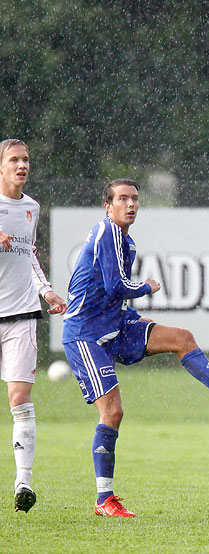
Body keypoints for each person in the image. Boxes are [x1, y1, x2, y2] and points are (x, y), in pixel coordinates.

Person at [62, 178, 209, 517]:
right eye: (122, 199)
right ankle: (104, 499)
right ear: (108, 206)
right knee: (113, 412)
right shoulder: (106, 233)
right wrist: (145, 286)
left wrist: (131, 312)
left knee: (182, 337)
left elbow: (107, 293)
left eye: (134, 198)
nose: (130, 204)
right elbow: (115, 284)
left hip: (116, 325)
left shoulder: (124, 241)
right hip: (86, 335)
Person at [0, 138, 67, 513]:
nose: (22, 165)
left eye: (25, 159)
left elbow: (29, 256)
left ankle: (22, 483)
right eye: (14, 159)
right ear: (0, 166)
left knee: (19, 401)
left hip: (22, 316)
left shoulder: (31, 208)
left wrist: (47, 291)